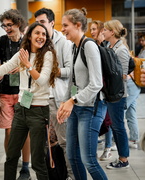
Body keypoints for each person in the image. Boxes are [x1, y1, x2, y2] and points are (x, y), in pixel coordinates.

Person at [0, 22, 59, 180]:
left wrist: (28, 65)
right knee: (11, 157)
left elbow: (42, 80)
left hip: (38, 111)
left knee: (38, 162)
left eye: (44, 34)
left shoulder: (48, 54)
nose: (41, 37)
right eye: (37, 33)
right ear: (29, 35)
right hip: (21, 109)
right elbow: (0, 70)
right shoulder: (22, 53)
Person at [57, 8, 108, 180]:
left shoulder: (89, 46)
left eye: (65, 25)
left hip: (91, 108)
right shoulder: (74, 47)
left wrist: (72, 100)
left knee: (89, 160)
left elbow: (96, 84)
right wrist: (64, 103)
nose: (62, 29)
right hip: (76, 107)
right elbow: (73, 81)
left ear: (78, 25)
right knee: (72, 156)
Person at [34, 7, 73, 180]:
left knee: (65, 142)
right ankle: (53, 175)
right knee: (45, 144)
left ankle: (72, 175)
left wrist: (51, 71)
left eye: (42, 22)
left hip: (57, 99)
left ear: (51, 23)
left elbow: (71, 71)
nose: (39, 26)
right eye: (37, 23)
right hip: (38, 101)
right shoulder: (36, 42)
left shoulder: (64, 42)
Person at [0, 9, 31, 180]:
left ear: (19, 24)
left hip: (25, 92)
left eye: (10, 25)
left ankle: (25, 166)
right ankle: (12, 161)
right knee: (9, 131)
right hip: (5, 91)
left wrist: (22, 66)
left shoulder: (28, 41)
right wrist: (2, 70)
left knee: (25, 131)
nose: (7, 28)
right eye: (4, 25)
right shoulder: (1, 42)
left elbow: (34, 65)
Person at [102, 19, 130, 169]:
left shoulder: (121, 50)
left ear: (112, 32)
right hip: (111, 94)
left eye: (105, 30)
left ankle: (123, 159)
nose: (103, 32)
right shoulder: (109, 46)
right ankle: (122, 157)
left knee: (118, 127)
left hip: (118, 95)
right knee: (115, 126)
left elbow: (123, 75)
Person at [90, 20, 116, 161]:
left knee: (107, 120)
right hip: (98, 91)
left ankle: (108, 147)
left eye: (95, 29)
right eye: (91, 29)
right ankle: (101, 148)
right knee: (102, 121)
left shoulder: (105, 46)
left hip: (106, 91)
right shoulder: (92, 45)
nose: (92, 31)